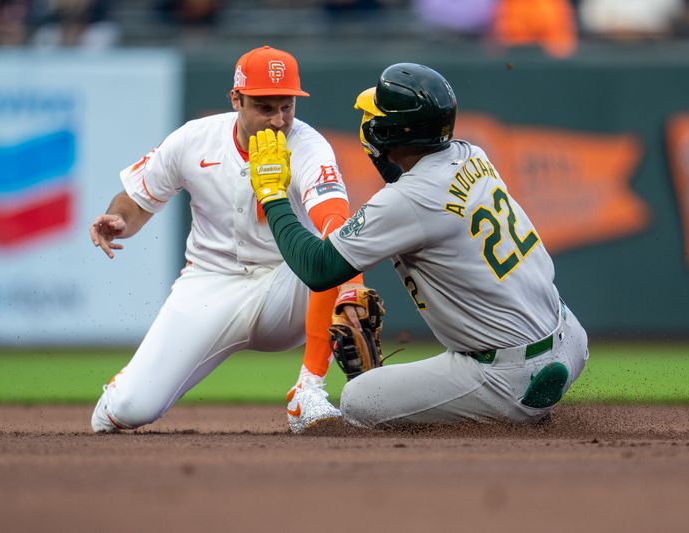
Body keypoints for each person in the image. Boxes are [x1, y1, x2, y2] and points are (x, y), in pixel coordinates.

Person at [248, 63, 589, 428]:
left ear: (388, 131)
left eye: (375, 116)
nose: (368, 122)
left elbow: (319, 269)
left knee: (361, 398)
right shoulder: (471, 154)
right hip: (570, 339)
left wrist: (272, 196)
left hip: (508, 377)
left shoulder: (405, 202)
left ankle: (506, 411)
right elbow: (423, 196)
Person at [89, 45, 364, 434]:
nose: (279, 119)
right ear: (236, 99)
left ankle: (308, 391)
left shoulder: (309, 146)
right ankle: (117, 397)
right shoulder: (194, 139)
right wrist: (118, 219)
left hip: (286, 286)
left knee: (328, 255)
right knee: (131, 409)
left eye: (286, 106)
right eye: (264, 108)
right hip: (210, 284)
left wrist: (351, 289)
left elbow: (336, 225)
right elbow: (135, 199)